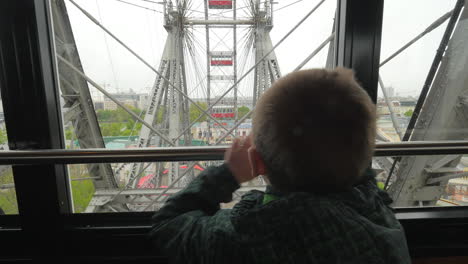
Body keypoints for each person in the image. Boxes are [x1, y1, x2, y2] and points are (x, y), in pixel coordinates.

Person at [149, 68, 411, 264]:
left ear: (258, 162)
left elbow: (169, 224)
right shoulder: (379, 212)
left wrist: (229, 174)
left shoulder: (253, 234)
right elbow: (345, 152)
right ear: (366, 153)